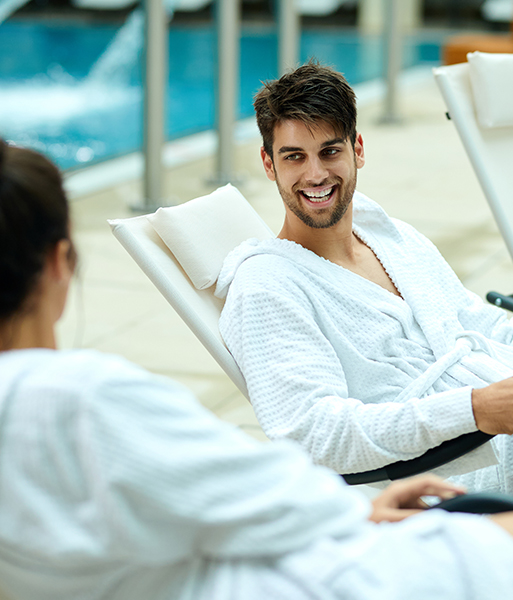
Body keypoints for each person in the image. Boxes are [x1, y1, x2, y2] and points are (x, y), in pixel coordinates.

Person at [0, 127, 513, 600]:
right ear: (59, 262)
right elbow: (257, 489)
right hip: (308, 581)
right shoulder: (81, 399)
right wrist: (355, 510)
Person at [217, 61, 513, 493]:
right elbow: (316, 436)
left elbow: (474, 320)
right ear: (268, 163)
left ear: (358, 149)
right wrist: (474, 409)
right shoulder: (266, 287)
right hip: (447, 473)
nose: (315, 175)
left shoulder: (390, 238)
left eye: (330, 151)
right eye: (294, 156)